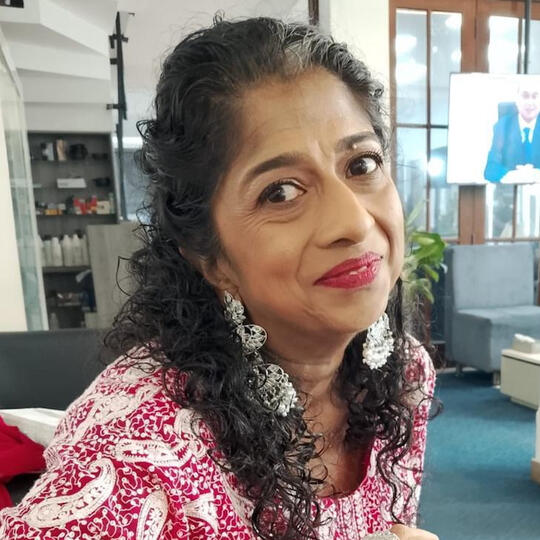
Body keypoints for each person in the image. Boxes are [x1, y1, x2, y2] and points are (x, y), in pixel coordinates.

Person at [0, 17, 438, 540]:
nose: (355, 222)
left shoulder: (405, 372)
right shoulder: (138, 456)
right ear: (211, 258)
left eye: (362, 164)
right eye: (281, 192)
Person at [484, 82, 540, 183]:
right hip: (511, 189)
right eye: (525, 96)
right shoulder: (503, 126)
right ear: (517, 101)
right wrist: (513, 175)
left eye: (535, 97)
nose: (530, 102)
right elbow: (490, 169)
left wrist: (536, 174)